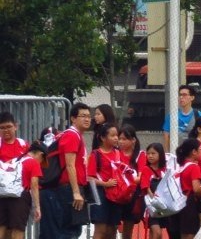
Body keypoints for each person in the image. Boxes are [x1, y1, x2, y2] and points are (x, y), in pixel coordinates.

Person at [39, 102, 92, 239]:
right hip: (67, 189)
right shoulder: (72, 135)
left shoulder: (75, 135)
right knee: (68, 230)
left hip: (70, 188)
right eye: (83, 116)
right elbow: (70, 165)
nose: (87, 119)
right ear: (73, 119)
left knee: (69, 229)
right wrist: (76, 192)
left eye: (88, 116)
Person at [0, 140, 44, 239]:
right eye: (43, 159)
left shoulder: (14, 160)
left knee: (2, 226)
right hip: (20, 197)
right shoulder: (33, 162)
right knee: (18, 229)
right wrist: (37, 207)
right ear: (40, 154)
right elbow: (34, 185)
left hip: (3, 194)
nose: (41, 162)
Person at [88, 123, 123, 239]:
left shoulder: (118, 153)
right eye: (112, 135)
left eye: (117, 135)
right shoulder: (96, 154)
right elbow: (89, 178)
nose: (116, 138)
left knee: (112, 229)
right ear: (103, 138)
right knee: (101, 230)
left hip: (116, 195)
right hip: (100, 195)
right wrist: (105, 184)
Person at [169, 138, 201, 239]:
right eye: (200, 149)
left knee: (180, 232)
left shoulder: (180, 167)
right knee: (189, 233)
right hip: (189, 203)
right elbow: (196, 189)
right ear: (194, 152)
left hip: (177, 203)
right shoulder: (194, 167)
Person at [118, 124, 146, 239]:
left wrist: (127, 183)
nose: (121, 142)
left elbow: (141, 176)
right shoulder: (116, 154)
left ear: (133, 140)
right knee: (111, 228)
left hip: (132, 195)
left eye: (124, 139)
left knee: (128, 230)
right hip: (116, 195)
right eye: (119, 139)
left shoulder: (140, 155)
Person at [162, 85, 201, 151]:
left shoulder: (199, 115)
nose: (181, 97)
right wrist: (167, 154)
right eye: (180, 95)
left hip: (193, 153)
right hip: (175, 153)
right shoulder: (171, 115)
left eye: (184, 95)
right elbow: (166, 135)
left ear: (192, 97)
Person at [140, 143, 168, 239]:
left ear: (160, 155)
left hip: (163, 207)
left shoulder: (165, 169)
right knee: (157, 232)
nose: (150, 156)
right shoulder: (146, 169)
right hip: (151, 206)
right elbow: (145, 187)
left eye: (153, 153)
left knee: (155, 234)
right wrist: (154, 199)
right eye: (148, 153)